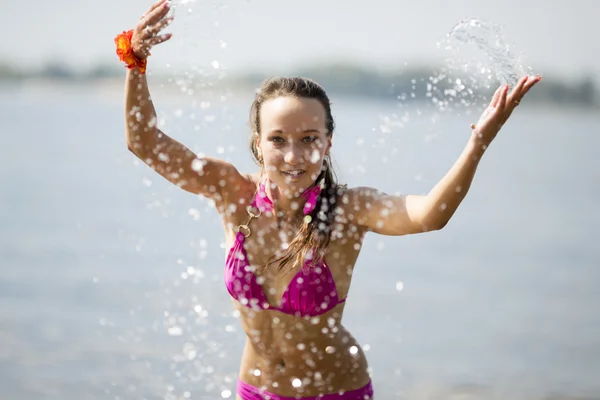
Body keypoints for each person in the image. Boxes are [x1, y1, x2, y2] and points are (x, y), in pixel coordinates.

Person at [115, 1, 541, 398]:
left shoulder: (348, 210)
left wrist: (478, 144)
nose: (294, 156)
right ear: (258, 144)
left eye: (309, 139)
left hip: (336, 391)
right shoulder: (231, 191)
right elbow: (145, 143)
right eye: (278, 140)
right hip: (256, 390)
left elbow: (429, 215)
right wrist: (136, 62)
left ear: (328, 142)